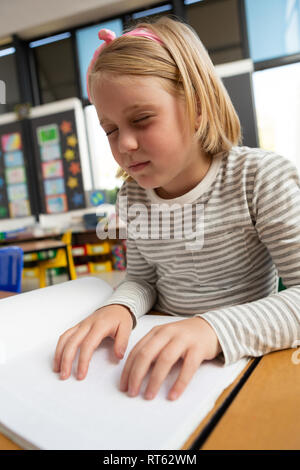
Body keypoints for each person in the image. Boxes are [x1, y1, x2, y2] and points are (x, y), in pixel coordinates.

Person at [53, 16, 300, 401]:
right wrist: (121, 306)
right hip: (163, 365)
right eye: (110, 130)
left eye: (141, 119)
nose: (125, 144)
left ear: (198, 106)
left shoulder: (259, 179)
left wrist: (211, 329)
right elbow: (143, 280)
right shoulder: (132, 197)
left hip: (245, 369)